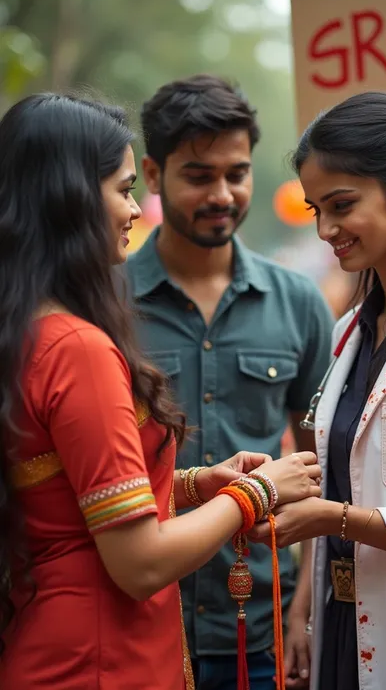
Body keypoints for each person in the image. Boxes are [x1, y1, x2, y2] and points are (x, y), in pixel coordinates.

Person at [0, 92, 322, 690]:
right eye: (123, 190)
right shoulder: (78, 345)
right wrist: (257, 491)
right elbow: (140, 562)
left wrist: (193, 485)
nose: (132, 211)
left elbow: (67, 488)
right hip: (99, 659)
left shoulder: (30, 329)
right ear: (68, 197)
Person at [251, 90, 386, 690]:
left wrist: (336, 519)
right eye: (315, 209)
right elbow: (342, 476)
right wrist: (303, 606)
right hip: (342, 623)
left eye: (341, 204)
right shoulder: (350, 330)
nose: (325, 229)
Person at [126, 74, 333, 689]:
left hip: (262, 624)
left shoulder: (298, 301)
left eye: (236, 173)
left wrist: (306, 609)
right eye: (199, 175)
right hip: (142, 621)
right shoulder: (103, 303)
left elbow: (324, 460)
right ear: (154, 175)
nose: (222, 193)